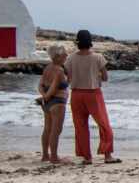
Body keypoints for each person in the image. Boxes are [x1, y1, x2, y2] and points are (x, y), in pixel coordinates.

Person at [64, 30, 118, 164]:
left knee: (80, 126)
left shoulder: (70, 58)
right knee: (104, 124)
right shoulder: (98, 57)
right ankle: (107, 155)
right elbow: (105, 77)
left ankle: (87, 157)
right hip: (93, 94)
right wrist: (96, 76)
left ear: (77, 42)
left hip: (76, 94)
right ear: (90, 42)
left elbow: (68, 78)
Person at [36, 44, 69, 164]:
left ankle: (45, 155)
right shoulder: (59, 70)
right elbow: (54, 88)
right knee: (56, 130)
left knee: (47, 129)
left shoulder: (48, 68)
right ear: (58, 56)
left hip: (47, 103)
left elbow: (40, 85)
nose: (66, 55)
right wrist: (46, 96)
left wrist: (44, 97)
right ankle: (54, 157)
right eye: (64, 53)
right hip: (57, 102)